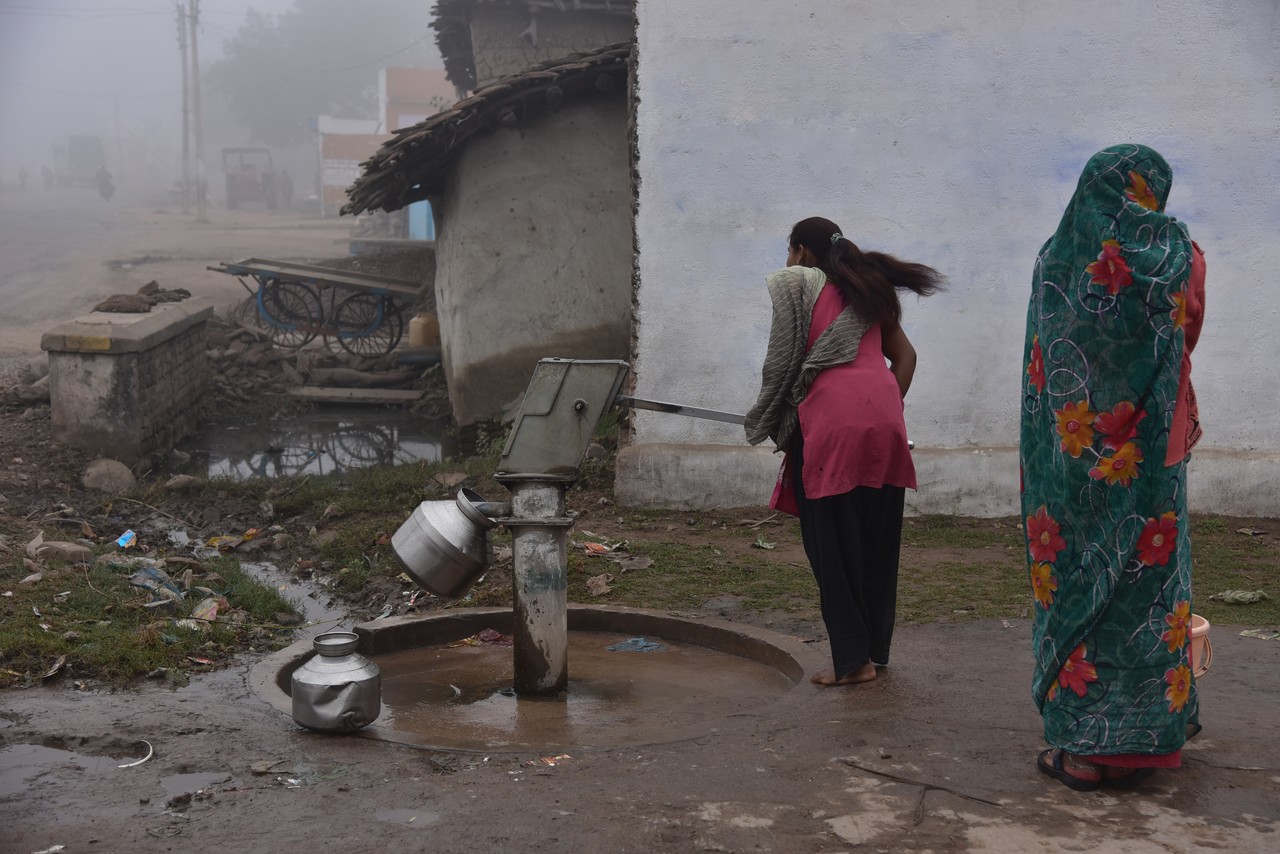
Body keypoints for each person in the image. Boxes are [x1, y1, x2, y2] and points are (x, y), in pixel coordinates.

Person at [1020, 144, 1205, 791]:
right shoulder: (1178, 254)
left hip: (1068, 466)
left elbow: (1045, 362)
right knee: (1148, 585)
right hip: (1152, 460)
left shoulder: (1055, 257)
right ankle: (1152, 731)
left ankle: (1086, 749)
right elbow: (1188, 333)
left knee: (1080, 573)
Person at [745, 216, 945, 686]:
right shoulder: (869, 291)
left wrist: (773, 416)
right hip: (885, 424)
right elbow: (906, 356)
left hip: (833, 425)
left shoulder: (800, 287)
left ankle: (854, 663)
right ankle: (874, 650)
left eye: (789, 251)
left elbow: (783, 363)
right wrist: (883, 408)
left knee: (832, 546)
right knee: (877, 541)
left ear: (801, 252)